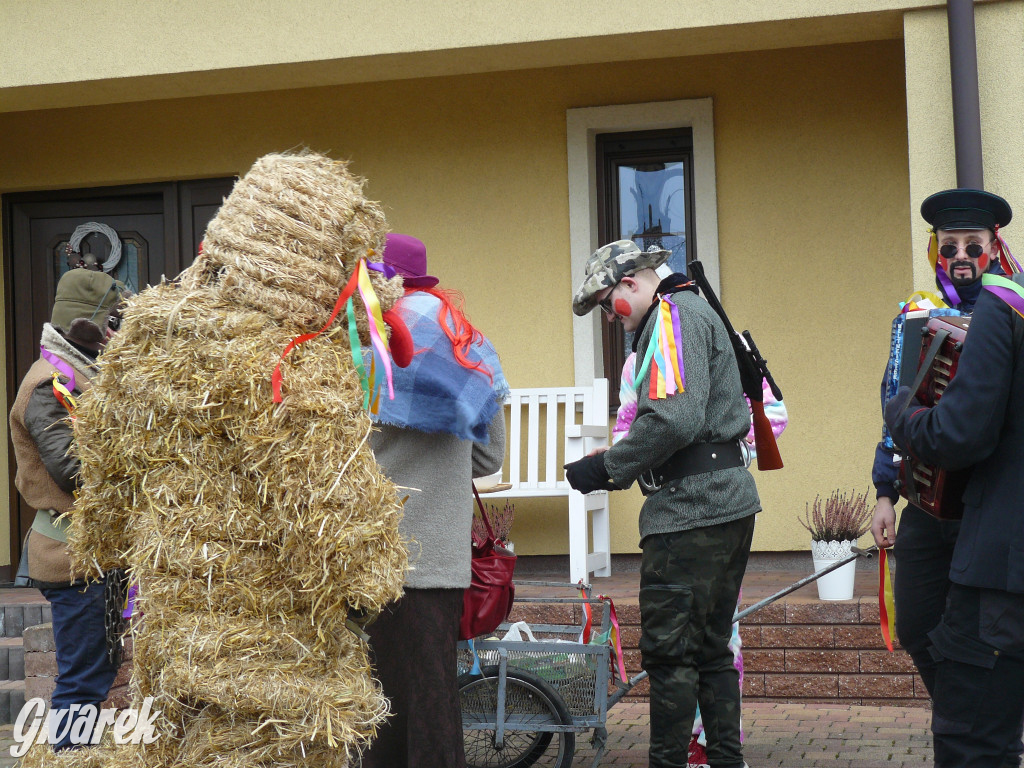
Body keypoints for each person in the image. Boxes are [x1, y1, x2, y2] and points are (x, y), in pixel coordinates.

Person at [565, 240, 760, 768]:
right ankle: (725, 760)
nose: (610, 316)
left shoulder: (672, 317)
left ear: (632, 283)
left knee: (672, 655)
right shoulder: (687, 310)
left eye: (608, 302)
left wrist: (606, 468)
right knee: (713, 650)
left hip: (691, 513)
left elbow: (674, 419)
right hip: (725, 503)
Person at [870, 189, 1022, 768]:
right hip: (925, 506)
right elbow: (895, 402)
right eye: (951, 246)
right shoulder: (915, 313)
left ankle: (987, 724)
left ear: (993, 249)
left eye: (973, 247)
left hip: (982, 516)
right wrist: (885, 490)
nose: (962, 257)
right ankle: (983, 719)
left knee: (974, 646)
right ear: (937, 250)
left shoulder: (1008, 311)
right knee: (916, 626)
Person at [361, 234, 508, 768]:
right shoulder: (465, 341)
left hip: (370, 551)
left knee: (374, 702)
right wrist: (442, 471)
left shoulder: (362, 342)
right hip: (440, 557)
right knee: (434, 698)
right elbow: (489, 460)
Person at [9, 268, 123, 750]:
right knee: (81, 683)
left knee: (95, 676)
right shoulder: (49, 384)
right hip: (72, 555)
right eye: (111, 322)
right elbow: (72, 471)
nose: (117, 333)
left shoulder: (82, 373)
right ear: (86, 325)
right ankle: (69, 757)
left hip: (95, 552)